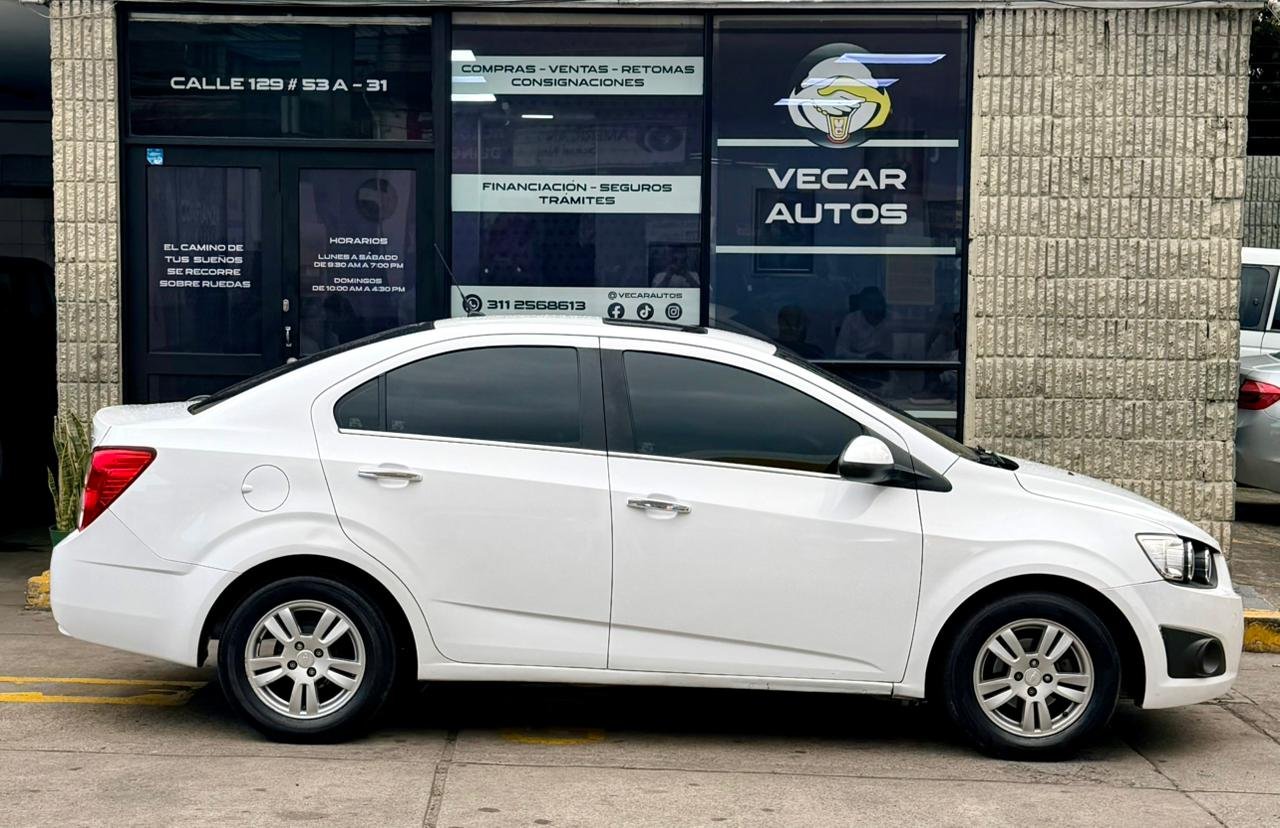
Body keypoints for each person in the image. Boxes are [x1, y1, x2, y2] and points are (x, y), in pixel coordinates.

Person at [835, 286, 892, 359]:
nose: (874, 308)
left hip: (886, 363)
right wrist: (865, 357)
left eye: (878, 303)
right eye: (870, 303)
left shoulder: (891, 318)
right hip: (857, 364)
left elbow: (897, 354)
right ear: (863, 306)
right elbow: (840, 351)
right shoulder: (851, 320)